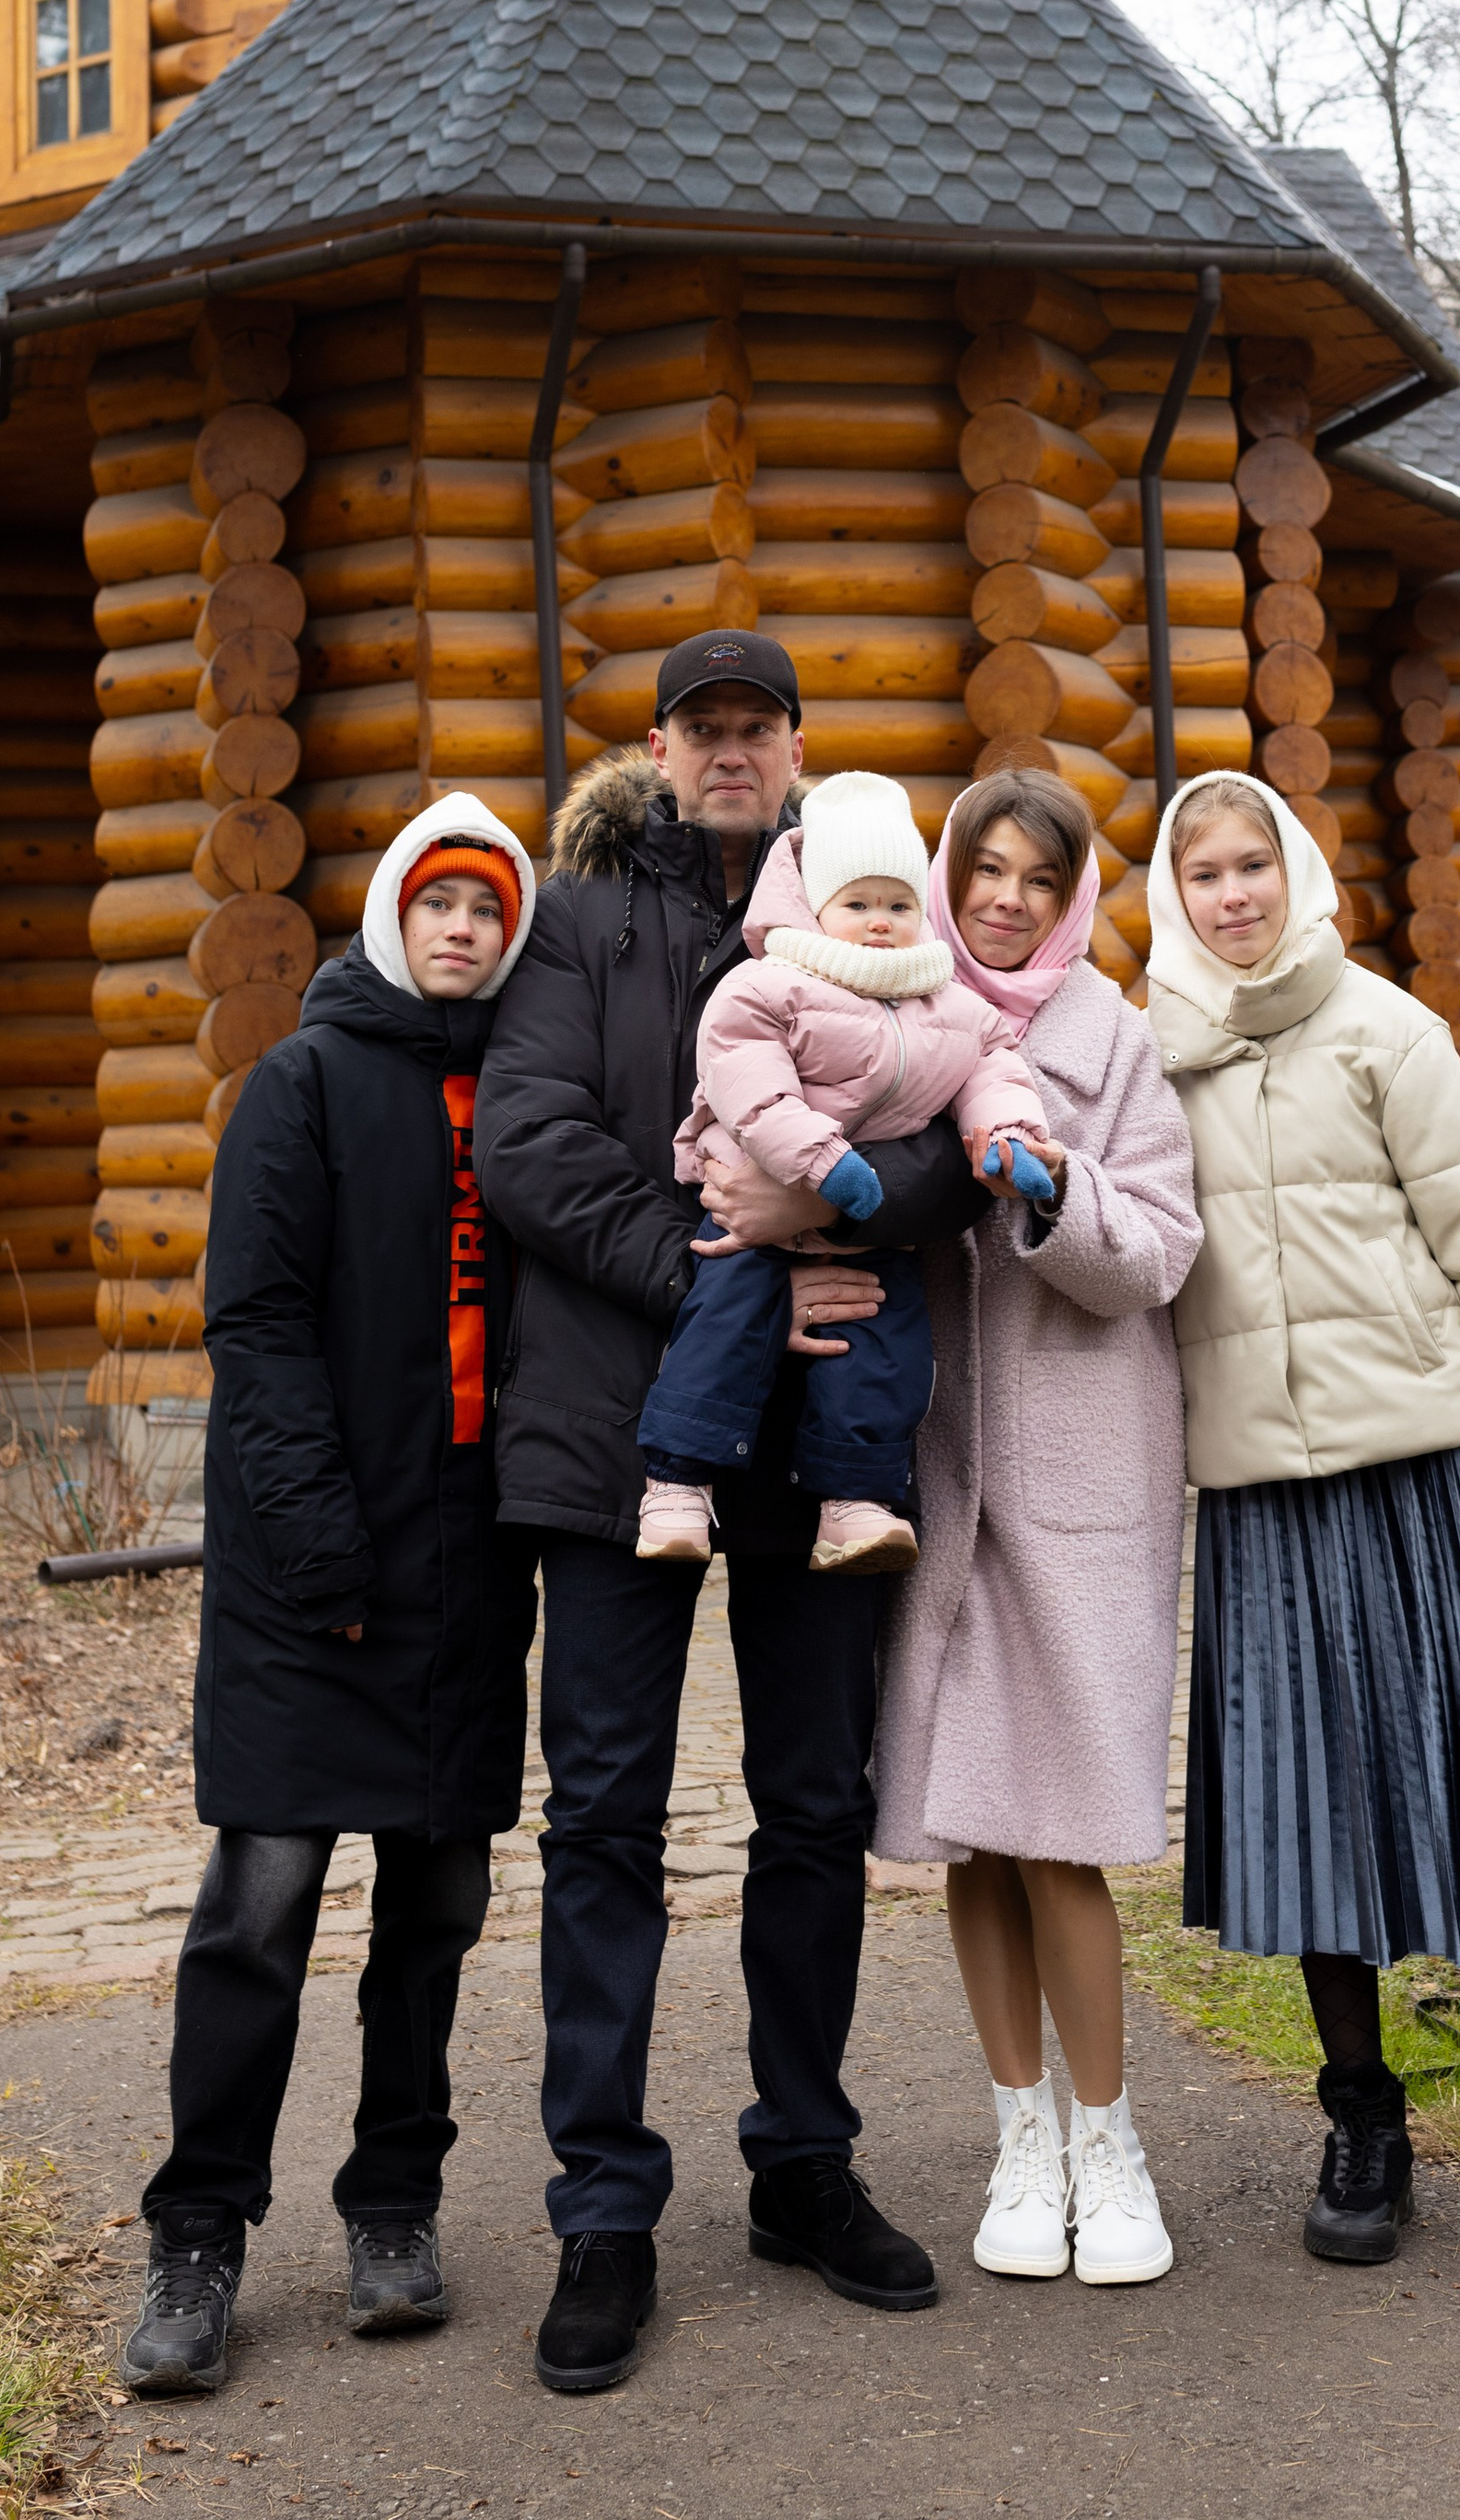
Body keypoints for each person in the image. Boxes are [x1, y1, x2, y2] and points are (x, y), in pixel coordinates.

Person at [473, 636, 988, 2396]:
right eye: (704, 732)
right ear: (661, 749)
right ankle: (602, 2207)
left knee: (815, 1805)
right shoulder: (573, 923)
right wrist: (728, 1273)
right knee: (606, 1816)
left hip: (818, 1450)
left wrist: (834, 1234)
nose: (731, 756)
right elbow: (528, 1143)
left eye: (758, 730)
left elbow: (949, 1125)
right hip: (613, 1438)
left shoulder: (870, 920)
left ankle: (804, 2161)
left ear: (794, 751)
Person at [1147, 767, 1460, 2285]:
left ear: (1294, 873)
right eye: (1206, 875)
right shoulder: (1154, 1060)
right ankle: (1364, 2121)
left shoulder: (1385, 1031)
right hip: (1263, 1495)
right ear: (1174, 900)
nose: (1233, 895)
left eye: (1253, 866)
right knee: (1313, 1812)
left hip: (1432, 1468)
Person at [122, 798, 542, 2397]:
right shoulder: (301, 1083)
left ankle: (394, 2208)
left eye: (487, 910)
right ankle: (199, 2235)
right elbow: (258, 1326)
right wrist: (314, 1545)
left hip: (465, 1565)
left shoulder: (522, 1090)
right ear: (390, 917)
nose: (460, 930)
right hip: (312, 1572)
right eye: (436, 903)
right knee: (261, 1909)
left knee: (434, 1913)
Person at [875, 772, 1202, 2290]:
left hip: (1080, 1484)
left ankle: (1108, 2140)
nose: (1003, 898)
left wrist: (1054, 1192)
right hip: (942, 1480)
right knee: (970, 1838)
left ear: (1074, 892)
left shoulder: (1113, 1041)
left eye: (1034, 876)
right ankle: (1019, 2137)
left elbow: (1158, 1257)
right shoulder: (908, 1023)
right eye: (983, 871)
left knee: (1062, 1842)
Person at [638, 769, 1058, 1577]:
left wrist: (1004, 1135)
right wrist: (821, 1162)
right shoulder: (772, 984)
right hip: (756, 1197)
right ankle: (677, 1483)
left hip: (866, 1221)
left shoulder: (946, 1002)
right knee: (723, 1323)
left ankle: (856, 1501)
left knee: (882, 1345)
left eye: (898, 906)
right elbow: (745, 1077)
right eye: (858, 903)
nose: (879, 924)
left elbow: (993, 1066)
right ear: (814, 908)